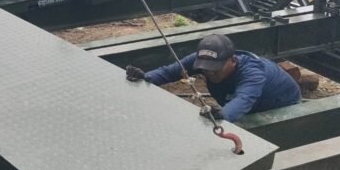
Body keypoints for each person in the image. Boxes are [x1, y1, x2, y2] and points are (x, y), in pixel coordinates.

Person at [125, 34, 301, 122]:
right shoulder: (202, 58)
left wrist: (224, 114)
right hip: (235, 99)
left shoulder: (252, 73)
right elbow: (170, 72)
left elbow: (244, 99)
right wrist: (146, 77)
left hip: (280, 104)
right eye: (206, 69)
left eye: (216, 69)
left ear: (232, 61)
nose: (210, 73)